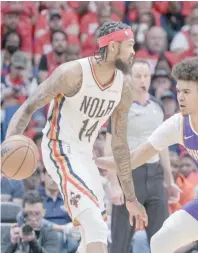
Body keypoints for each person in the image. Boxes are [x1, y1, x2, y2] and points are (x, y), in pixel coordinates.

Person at [5, 20, 148, 253]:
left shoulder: (124, 87)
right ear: (113, 47)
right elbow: (29, 106)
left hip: (85, 156)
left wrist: (130, 197)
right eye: (129, 45)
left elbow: (120, 144)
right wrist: (8, 149)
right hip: (58, 148)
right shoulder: (72, 73)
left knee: (94, 230)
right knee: (96, 228)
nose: (133, 52)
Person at [96, 57, 198, 253]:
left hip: (154, 178)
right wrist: (96, 162)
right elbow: (135, 157)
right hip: (133, 177)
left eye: (186, 92)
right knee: (160, 242)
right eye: (178, 91)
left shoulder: (156, 108)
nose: (180, 98)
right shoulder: (177, 123)